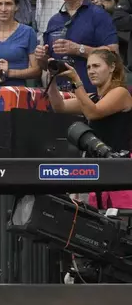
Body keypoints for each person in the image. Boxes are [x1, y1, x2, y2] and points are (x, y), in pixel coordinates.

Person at [46, 49, 132, 209]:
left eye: (96, 66)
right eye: (88, 67)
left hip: (119, 170)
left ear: (112, 67)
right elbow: (60, 107)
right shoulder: (92, 98)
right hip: (96, 171)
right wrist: (51, 80)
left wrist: (76, 80)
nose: (91, 71)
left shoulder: (121, 93)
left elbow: (93, 112)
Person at [34, 0, 119, 93]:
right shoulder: (53, 21)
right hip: (60, 96)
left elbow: (113, 54)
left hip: (91, 95)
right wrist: (42, 58)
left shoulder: (99, 16)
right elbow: (46, 66)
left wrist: (79, 49)